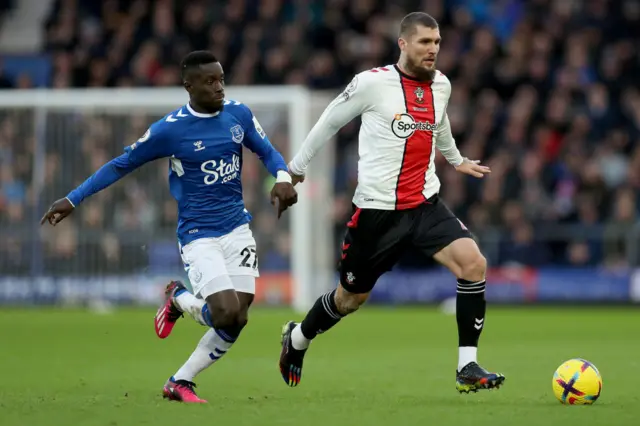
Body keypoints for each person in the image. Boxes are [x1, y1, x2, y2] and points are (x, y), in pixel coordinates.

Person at [41, 50, 298, 403]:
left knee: (237, 318)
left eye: (221, 79)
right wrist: (73, 199)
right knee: (223, 312)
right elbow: (121, 164)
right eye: (209, 82)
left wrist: (282, 177)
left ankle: (180, 381)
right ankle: (178, 298)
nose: (218, 87)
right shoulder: (170, 130)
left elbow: (268, 151)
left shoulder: (238, 113)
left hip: (237, 227)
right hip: (198, 235)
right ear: (188, 86)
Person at [278, 12, 505, 393]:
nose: (432, 50)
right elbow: (329, 121)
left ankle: (467, 365)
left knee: (473, 263)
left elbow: (439, 120)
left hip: (425, 204)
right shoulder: (372, 84)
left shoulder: (442, 85)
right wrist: (295, 171)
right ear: (403, 44)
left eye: (436, 42)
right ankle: (298, 337)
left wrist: (455, 159)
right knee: (350, 299)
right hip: (377, 213)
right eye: (424, 42)